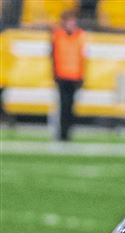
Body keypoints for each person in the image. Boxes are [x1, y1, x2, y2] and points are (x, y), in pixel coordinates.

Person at [50, 9, 86, 141]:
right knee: (63, 105)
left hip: (75, 76)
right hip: (62, 75)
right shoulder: (57, 35)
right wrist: (54, 73)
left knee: (70, 107)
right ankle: (61, 133)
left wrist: (82, 76)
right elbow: (52, 55)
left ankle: (68, 132)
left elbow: (83, 57)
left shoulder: (80, 35)